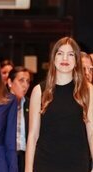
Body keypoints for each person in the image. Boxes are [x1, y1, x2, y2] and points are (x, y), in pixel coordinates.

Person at [25, 37, 93, 172]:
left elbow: (92, 132)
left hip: (77, 164)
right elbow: (32, 136)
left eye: (70, 54)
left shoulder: (88, 90)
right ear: (53, 58)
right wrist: (28, 169)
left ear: (76, 60)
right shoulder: (39, 91)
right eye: (60, 53)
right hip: (44, 165)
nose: (65, 59)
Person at [7, 66, 31, 172]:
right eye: (21, 80)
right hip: (7, 156)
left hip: (25, 157)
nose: (25, 85)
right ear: (10, 82)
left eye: (28, 81)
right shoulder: (0, 104)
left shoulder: (31, 104)